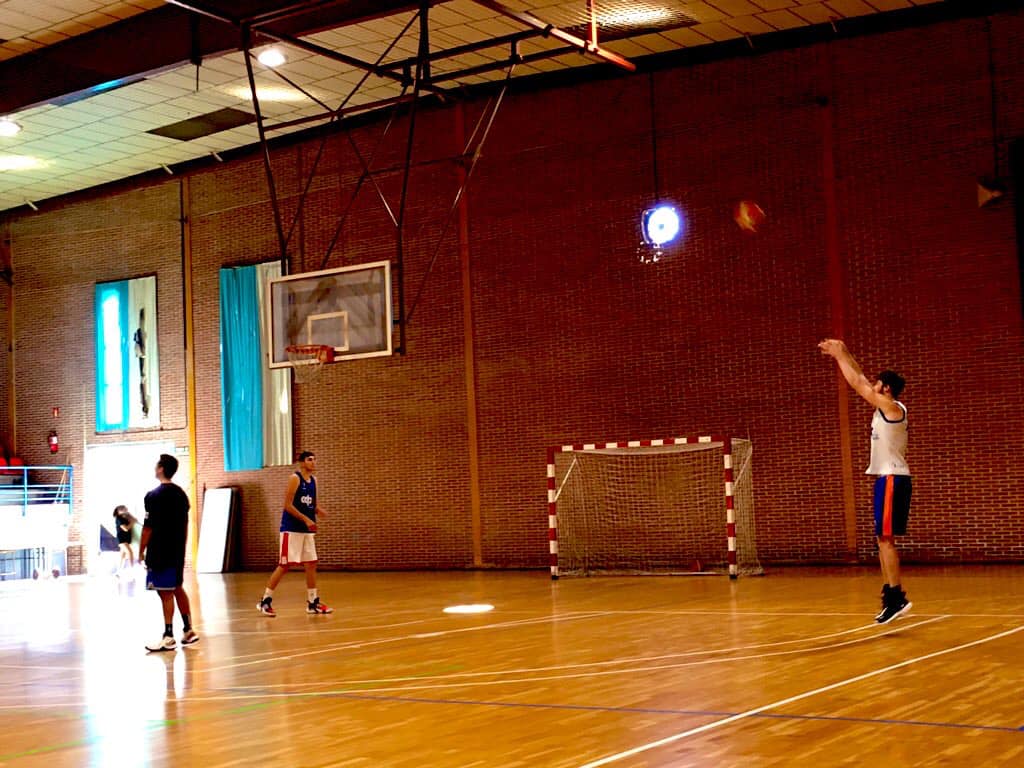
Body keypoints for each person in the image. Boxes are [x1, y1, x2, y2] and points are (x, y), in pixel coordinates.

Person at [819, 339, 912, 624]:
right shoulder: (885, 408)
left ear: (885, 388)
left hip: (893, 478)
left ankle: (896, 597)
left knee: (886, 540)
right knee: (882, 539)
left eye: (877, 382)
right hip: (887, 479)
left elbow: (858, 382)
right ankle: (891, 595)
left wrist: (838, 357)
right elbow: (859, 376)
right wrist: (843, 350)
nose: (872, 384)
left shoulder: (893, 407)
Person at [257, 450, 333, 616]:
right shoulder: (295, 478)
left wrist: (319, 511)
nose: (313, 462)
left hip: (306, 531)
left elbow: (313, 504)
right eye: (309, 459)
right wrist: (306, 519)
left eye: (314, 459)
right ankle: (265, 600)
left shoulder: (314, 481)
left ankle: (312, 602)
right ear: (301, 462)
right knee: (285, 565)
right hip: (291, 529)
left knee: (311, 563)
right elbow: (287, 505)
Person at [139, 454, 199, 651]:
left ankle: (168, 635)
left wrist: (140, 551)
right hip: (177, 550)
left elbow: (148, 528)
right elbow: (185, 524)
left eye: (156, 465)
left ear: (161, 469)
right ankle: (188, 630)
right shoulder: (181, 494)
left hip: (160, 551)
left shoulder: (153, 496)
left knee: (165, 593)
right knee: (177, 588)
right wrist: (182, 546)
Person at [113, 505, 137, 570]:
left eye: (125, 508)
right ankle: (132, 568)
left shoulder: (125, 517)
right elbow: (125, 529)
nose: (125, 509)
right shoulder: (118, 518)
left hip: (126, 538)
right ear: (118, 511)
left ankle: (119, 571)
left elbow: (135, 519)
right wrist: (132, 522)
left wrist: (129, 515)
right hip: (122, 539)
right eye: (123, 509)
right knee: (129, 552)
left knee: (122, 555)